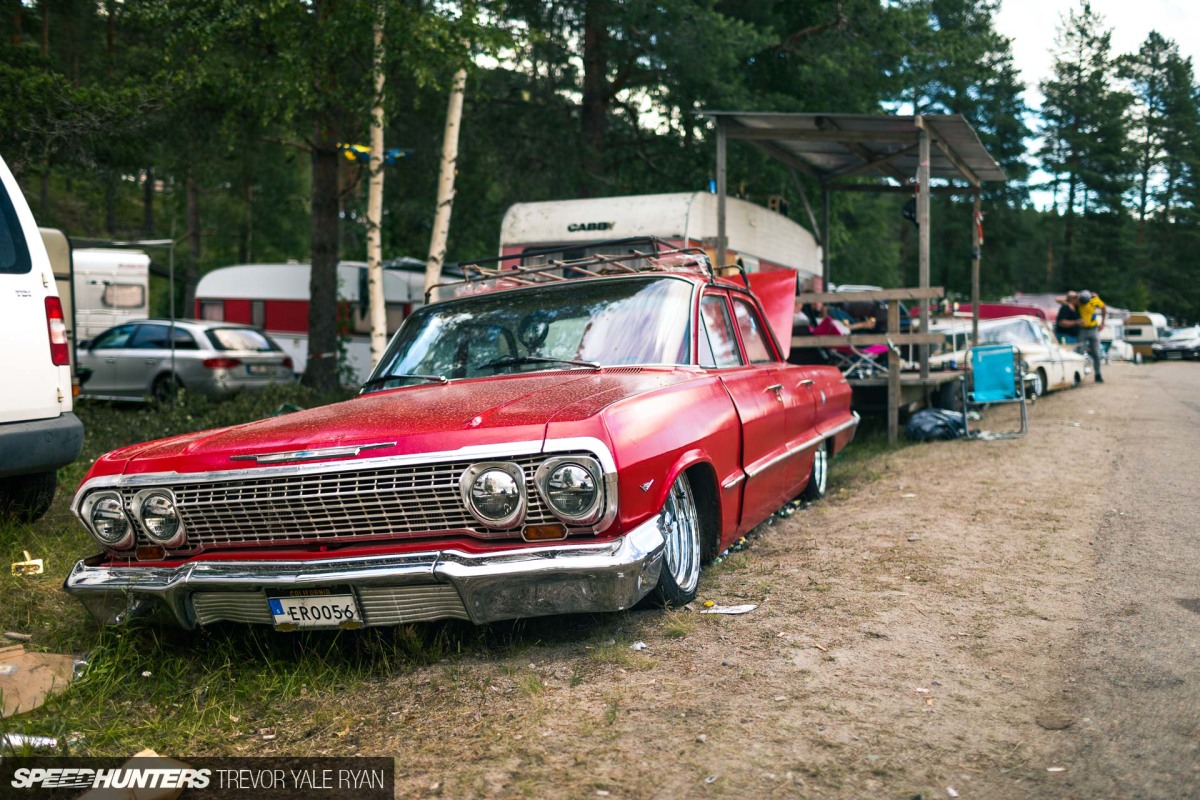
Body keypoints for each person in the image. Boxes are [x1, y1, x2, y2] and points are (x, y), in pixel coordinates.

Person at [1076, 289, 1107, 382]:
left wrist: (1103, 322)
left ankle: (1098, 374)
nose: (1083, 303)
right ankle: (1078, 374)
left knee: (1096, 352)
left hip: (1093, 329)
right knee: (1079, 352)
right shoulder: (1077, 300)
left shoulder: (1094, 300)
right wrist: (1075, 295)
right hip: (1082, 329)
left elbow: (1104, 308)